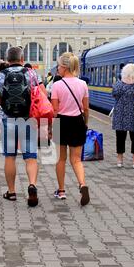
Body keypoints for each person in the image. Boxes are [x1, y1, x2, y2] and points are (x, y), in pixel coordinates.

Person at [0, 47, 41, 208]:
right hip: (29, 119)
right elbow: (42, 96)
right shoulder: (32, 74)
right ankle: (32, 185)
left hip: (8, 120)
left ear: (7, 60)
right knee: (30, 157)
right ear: (22, 58)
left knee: (10, 157)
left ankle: (11, 192)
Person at [51, 52, 90, 207]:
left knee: (61, 159)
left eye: (59, 66)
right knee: (76, 159)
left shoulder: (57, 85)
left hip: (61, 121)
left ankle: (61, 191)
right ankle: (82, 184)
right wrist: (85, 124)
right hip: (78, 122)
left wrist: (50, 127)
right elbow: (86, 108)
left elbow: (54, 110)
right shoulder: (83, 84)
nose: (58, 69)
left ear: (65, 67)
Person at [112, 64, 134, 169]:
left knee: (120, 138)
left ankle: (119, 160)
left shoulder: (118, 85)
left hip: (121, 114)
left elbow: (114, 94)